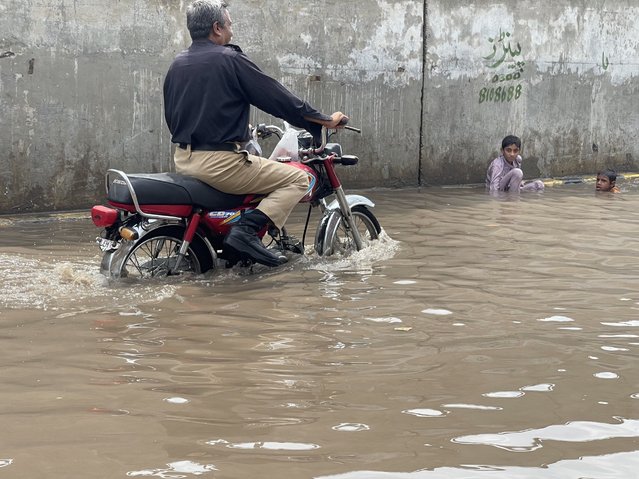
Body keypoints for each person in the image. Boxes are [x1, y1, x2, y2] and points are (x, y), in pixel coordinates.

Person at [163, 0, 347, 267]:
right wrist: (323, 120)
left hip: (184, 159)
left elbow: (177, 116)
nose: (232, 30)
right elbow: (278, 99)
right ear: (217, 28)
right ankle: (246, 231)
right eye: (230, 24)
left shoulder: (177, 64)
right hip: (222, 165)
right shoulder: (230, 60)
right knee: (299, 179)